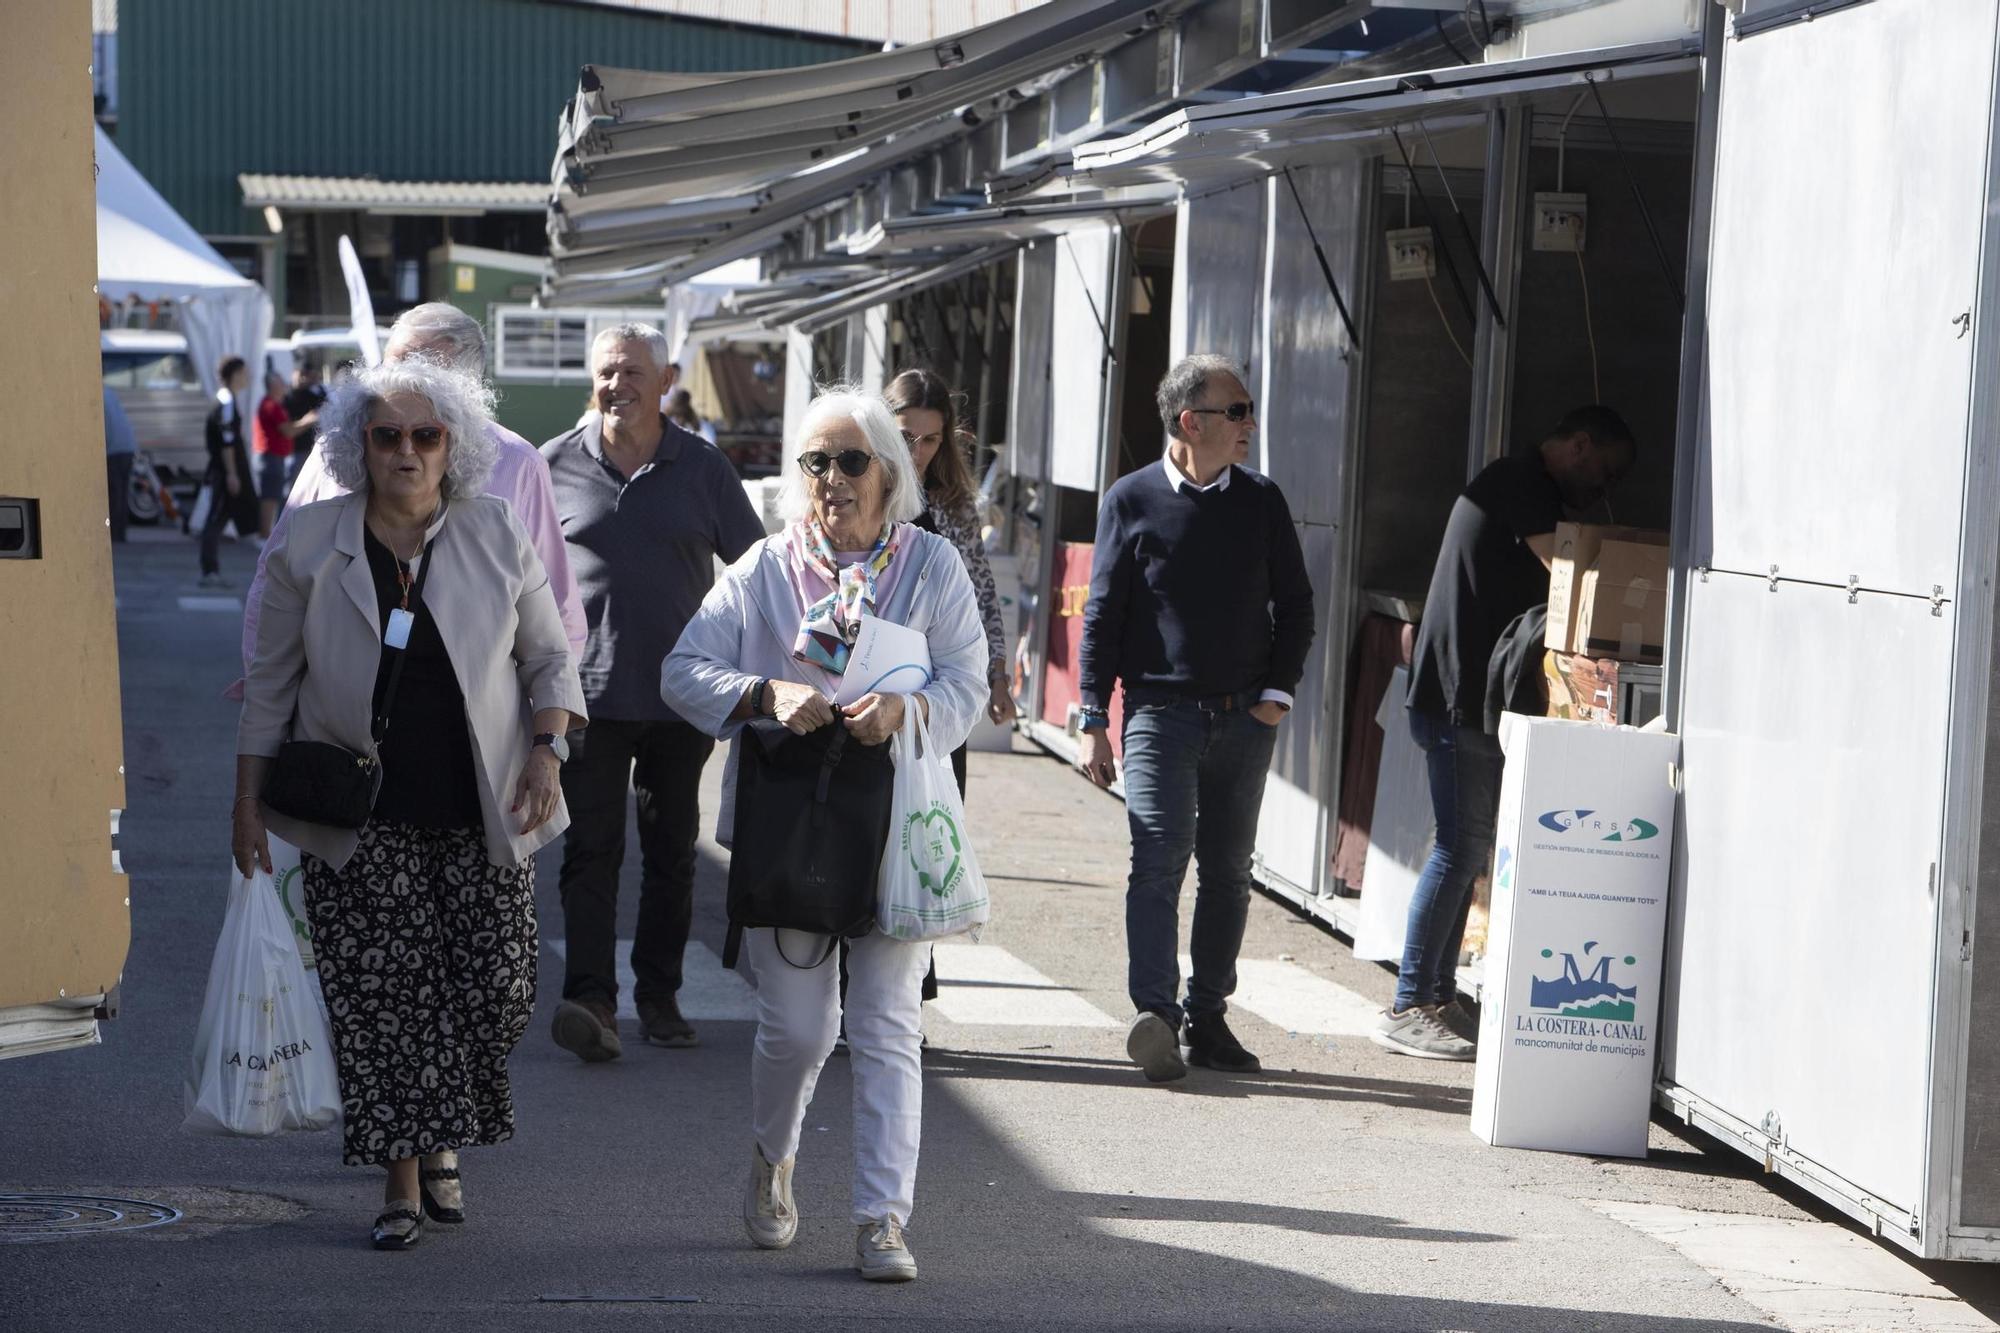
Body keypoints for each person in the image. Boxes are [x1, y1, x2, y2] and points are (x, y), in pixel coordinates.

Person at [231, 356, 586, 1250]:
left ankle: (438, 1135)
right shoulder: (312, 543)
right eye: (386, 435)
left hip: (487, 803)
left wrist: (548, 749)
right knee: (386, 996)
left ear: (453, 448)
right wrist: (245, 806)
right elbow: (270, 686)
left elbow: (550, 658)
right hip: (359, 812)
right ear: (358, 447)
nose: (406, 451)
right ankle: (401, 1181)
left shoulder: (497, 530)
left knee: (496, 992)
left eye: (425, 436)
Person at [661, 386, 986, 1283]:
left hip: (895, 820)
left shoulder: (931, 567)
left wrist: (909, 709)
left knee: (886, 1026)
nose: (830, 479)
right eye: (814, 461)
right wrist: (765, 694)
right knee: (800, 1031)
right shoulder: (765, 568)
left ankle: (882, 1218)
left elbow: (967, 682)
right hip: (791, 821)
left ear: (889, 471)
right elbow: (682, 671)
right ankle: (773, 1158)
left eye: (849, 461)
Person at [1077, 354, 1316, 1084]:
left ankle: (1207, 1016)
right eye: (1237, 412)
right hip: (1159, 716)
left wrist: (1279, 691)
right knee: (1157, 860)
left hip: (1244, 718)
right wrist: (1093, 713)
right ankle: (1156, 1013)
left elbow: (1298, 605)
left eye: (1247, 411)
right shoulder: (1131, 499)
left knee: (1227, 873)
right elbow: (1103, 613)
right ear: (1191, 421)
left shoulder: (1262, 500)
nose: (1250, 425)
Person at [1376, 405, 1636, 1061]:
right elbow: (1572, 577)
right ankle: (1409, 1001)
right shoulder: (1523, 483)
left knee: (1468, 846)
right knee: (1460, 848)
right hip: (1457, 695)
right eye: (1603, 472)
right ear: (1578, 445)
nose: (1601, 490)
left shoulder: (1519, 482)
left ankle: (1436, 993)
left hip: (1461, 693)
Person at [540, 323, 764, 1059]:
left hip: (681, 697)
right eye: (607, 372)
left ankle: (659, 995)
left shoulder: (701, 467)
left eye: (633, 372)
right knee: (590, 850)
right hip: (586, 699)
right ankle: (591, 1000)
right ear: (591, 382)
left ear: (665, 380)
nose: (618, 385)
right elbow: (518, 576)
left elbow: (761, 569)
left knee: (671, 851)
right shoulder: (552, 467)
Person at [238, 304, 588, 683]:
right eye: (392, 363)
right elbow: (275, 575)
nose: (397, 379)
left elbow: (556, 610)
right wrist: (266, 687)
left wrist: (543, 722)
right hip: (337, 698)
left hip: (471, 708)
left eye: (418, 365)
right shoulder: (340, 447)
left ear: (466, 379)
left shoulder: (516, 464)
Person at [199, 357, 255, 588]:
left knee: (221, 517)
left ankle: (211, 569)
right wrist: (232, 473)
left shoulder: (227, 400)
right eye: (244, 372)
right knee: (216, 518)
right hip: (225, 470)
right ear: (234, 374)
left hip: (226, 469)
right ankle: (209, 570)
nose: (247, 377)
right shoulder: (226, 402)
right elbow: (226, 442)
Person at [253, 368, 316, 537]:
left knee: (273, 496)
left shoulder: (274, 404)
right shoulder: (271, 405)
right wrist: (308, 421)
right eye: (280, 382)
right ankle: (264, 535)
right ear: (273, 385)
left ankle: (266, 534)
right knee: (270, 498)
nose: (284, 385)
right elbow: (288, 431)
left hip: (275, 457)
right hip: (270, 457)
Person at [283, 361, 328, 480]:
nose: (303, 378)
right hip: (293, 449)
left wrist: (316, 383)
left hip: (308, 447)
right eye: (301, 374)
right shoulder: (286, 395)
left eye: (306, 375)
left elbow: (324, 404)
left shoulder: (309, 393)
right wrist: (306, 421)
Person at [103, 383, 136, 543]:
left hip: (113, 450)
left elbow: (106, 426)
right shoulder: (109, 392)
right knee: (121, 493)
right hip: (127, 447)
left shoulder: (97, 395)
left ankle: (114, 535)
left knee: (113, 494)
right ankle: (120, 533)